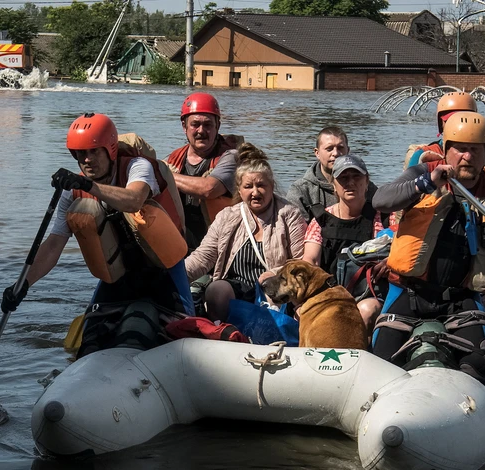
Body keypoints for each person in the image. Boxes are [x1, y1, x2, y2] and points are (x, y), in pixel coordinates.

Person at [371, 111, 485, 376]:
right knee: (379, 360)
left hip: (461, 299)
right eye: (460, 149)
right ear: (446, 150)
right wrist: (428, 182)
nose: (467, 157)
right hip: (411, 293)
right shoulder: (422, 173)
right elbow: (381, 200)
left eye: (475, 150)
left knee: (482, 362)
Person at [0, 113, 192, 354]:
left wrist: (88, 186)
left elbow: (133, 200)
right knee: (89, 344)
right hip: (119, 276)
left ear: (111, 150)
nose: (87, 160)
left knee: (177, 333)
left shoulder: (137, 167)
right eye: (80, 154)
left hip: (165, 273)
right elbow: (53, 245)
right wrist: (23, 284)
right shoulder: (74, 192)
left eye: (93, 152)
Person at [185, 143, 306, 322]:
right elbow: (204, 256)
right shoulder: (227, 216)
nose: (255, 192)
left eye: (261, 185)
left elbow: (300, 262)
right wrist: (176, 274)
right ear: (239, 190)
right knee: (215, 290)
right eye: (248, 186)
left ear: (272, 186)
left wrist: (274, 273)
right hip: (237, 288)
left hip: (275, 290)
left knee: (276, 294)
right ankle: (223, 331)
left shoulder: (290, 214)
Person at [301, 155, 393, 335]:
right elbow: (310, 261)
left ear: (367, 182)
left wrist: (391, 260)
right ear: (334, 186)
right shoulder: (321, 220)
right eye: (343, 178)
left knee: (365, 311)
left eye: (356, 177)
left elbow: (403, 250)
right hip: (329, 293)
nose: (350, 182)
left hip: (370, 295)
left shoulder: (383, 217)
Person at [165, 92, 242, 251]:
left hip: (220, 249)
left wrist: (164, 175)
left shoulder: (231, 157)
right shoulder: (173, 160)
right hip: (180, 249)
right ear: (184, 126)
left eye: (208, 125)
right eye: (195, 124)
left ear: (217, 126)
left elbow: (209, 189)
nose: (201, 131)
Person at [286, 126, 377, 223]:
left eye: (340, 148)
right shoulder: (301, 191)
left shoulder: (365, 187)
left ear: (348, 151)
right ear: (317, 153)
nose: (336, 153)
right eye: (329, 149)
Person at [404, 91, 478, 169]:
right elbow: (407, 180)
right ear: (441, 124)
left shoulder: (479, 155)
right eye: (451, 121)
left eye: (464, 121)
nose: (458, 126)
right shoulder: (421, 155)